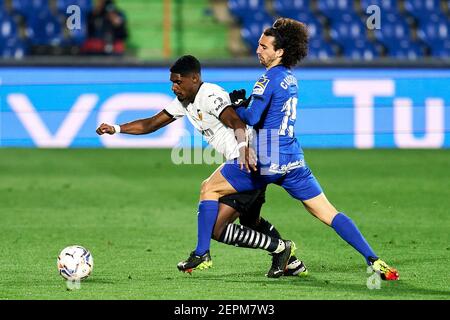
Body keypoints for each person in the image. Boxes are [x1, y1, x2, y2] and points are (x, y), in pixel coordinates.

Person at [179, 18, 400, 281]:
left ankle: (203, 252)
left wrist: (237, 105)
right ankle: (374, 260)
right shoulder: (290, 79)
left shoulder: (267, 79)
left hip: (266, 158)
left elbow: (250, 118)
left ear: (279, 52)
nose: (258, 50)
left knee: (209, 188)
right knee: (328, 212)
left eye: (264, 47)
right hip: (292, 159)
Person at [96, 55, 308, 277]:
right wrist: (116, 128)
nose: (174, 87)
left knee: (211, 201)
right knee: (250, 221)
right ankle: (289, 259)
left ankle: (202, 253)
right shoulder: (184, 102)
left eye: (178, 82)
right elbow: (151, 123)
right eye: (172, 82)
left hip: (246, 159)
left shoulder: (210, 95)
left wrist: (244, 148)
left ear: (194, 79)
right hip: (250, 160)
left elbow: (235, 122)